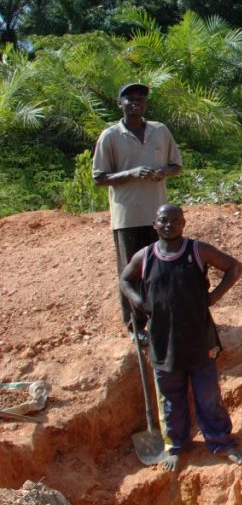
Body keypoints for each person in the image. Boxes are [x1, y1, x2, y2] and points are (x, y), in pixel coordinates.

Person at [119, 203, 242, 472]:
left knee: (208, 394)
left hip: (200, 338)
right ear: (154, 224)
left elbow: (234, 267)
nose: (169, 225)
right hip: (164, 342)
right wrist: (138, 301)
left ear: (184, 223)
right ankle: (176, 446)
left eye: (174, 220)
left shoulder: (198, 251)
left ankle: (221, 442)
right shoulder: (146, 257)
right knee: (170, 396)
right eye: (163, 220)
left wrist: (213, 297)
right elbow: (125, 279)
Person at [93, 83, 182, 340]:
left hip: (160, 217)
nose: (135, 103)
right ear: (119, 103)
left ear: (146, 105)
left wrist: (163, 172)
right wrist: (130, 173)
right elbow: (99, 177)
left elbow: (176, 165)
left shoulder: (160, 131)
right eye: (129, 99)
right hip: (127, 215)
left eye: (140, 100)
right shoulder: (110, 136)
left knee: (161, 268)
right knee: (131, 272)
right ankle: (135, 325)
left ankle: (163, 319)